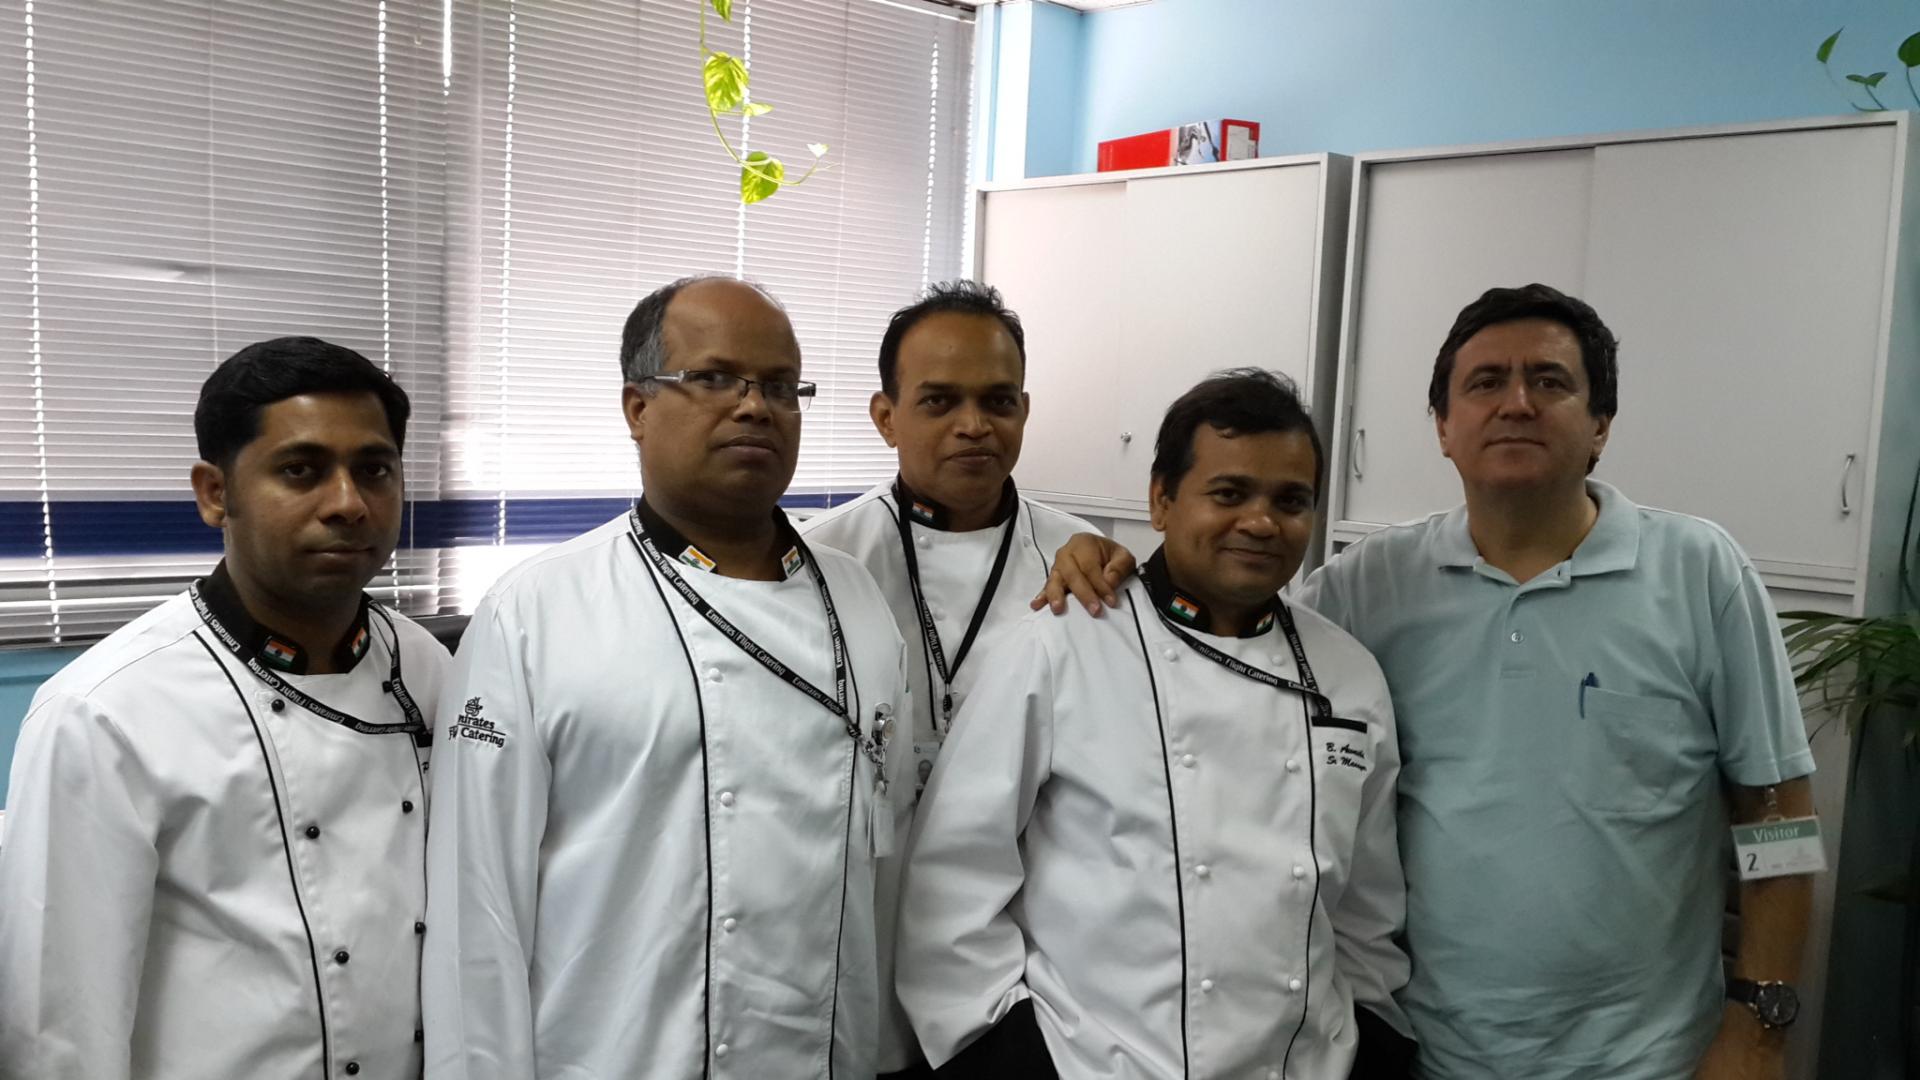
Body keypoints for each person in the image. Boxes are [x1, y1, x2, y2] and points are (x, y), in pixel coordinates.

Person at [1045, 285, 1816, 1080]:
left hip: (1652, 1058)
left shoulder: (1700, 573)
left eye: (1550, 381)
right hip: (1437, 1051)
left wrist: (1760, 1026)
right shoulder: (1368, 587)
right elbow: (1231, 630)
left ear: (1601, 425)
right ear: (1443, 427)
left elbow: (1780, 815)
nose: (1516, 403)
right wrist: (1114, 566)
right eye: (1485, 383)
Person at [422, 276, 912, 1079]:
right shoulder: (536, 612)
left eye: (781, 387)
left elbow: (884, 872)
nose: (755, 407)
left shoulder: (858, 604)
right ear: (637, 407)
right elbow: (477, 909)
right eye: (714, 378)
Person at [895, 369, 1414, 1079]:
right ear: (1161, 500)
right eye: (1228, 493)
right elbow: (952, 882)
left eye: (1291, 501)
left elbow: (1366, 914)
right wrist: (1001, 1055)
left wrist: (1374, 1046)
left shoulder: (1348, 675)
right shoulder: (1062, 646)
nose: (1262, 522)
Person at [0, 337, 450, 1080]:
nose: (348, 503)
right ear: (215, 493)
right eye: (301, 470)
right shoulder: (105, 711)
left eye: (374, 470)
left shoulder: (426, 667)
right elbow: (59, 1025)